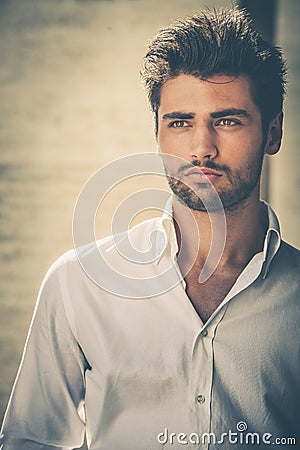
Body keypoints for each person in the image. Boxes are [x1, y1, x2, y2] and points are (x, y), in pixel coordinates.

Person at [1, 7, 299, 450]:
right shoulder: (77, 282)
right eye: (180, 122)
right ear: (157, 134)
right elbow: (30, 440)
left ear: (272, 133)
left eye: (228, 120)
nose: (202, 148)